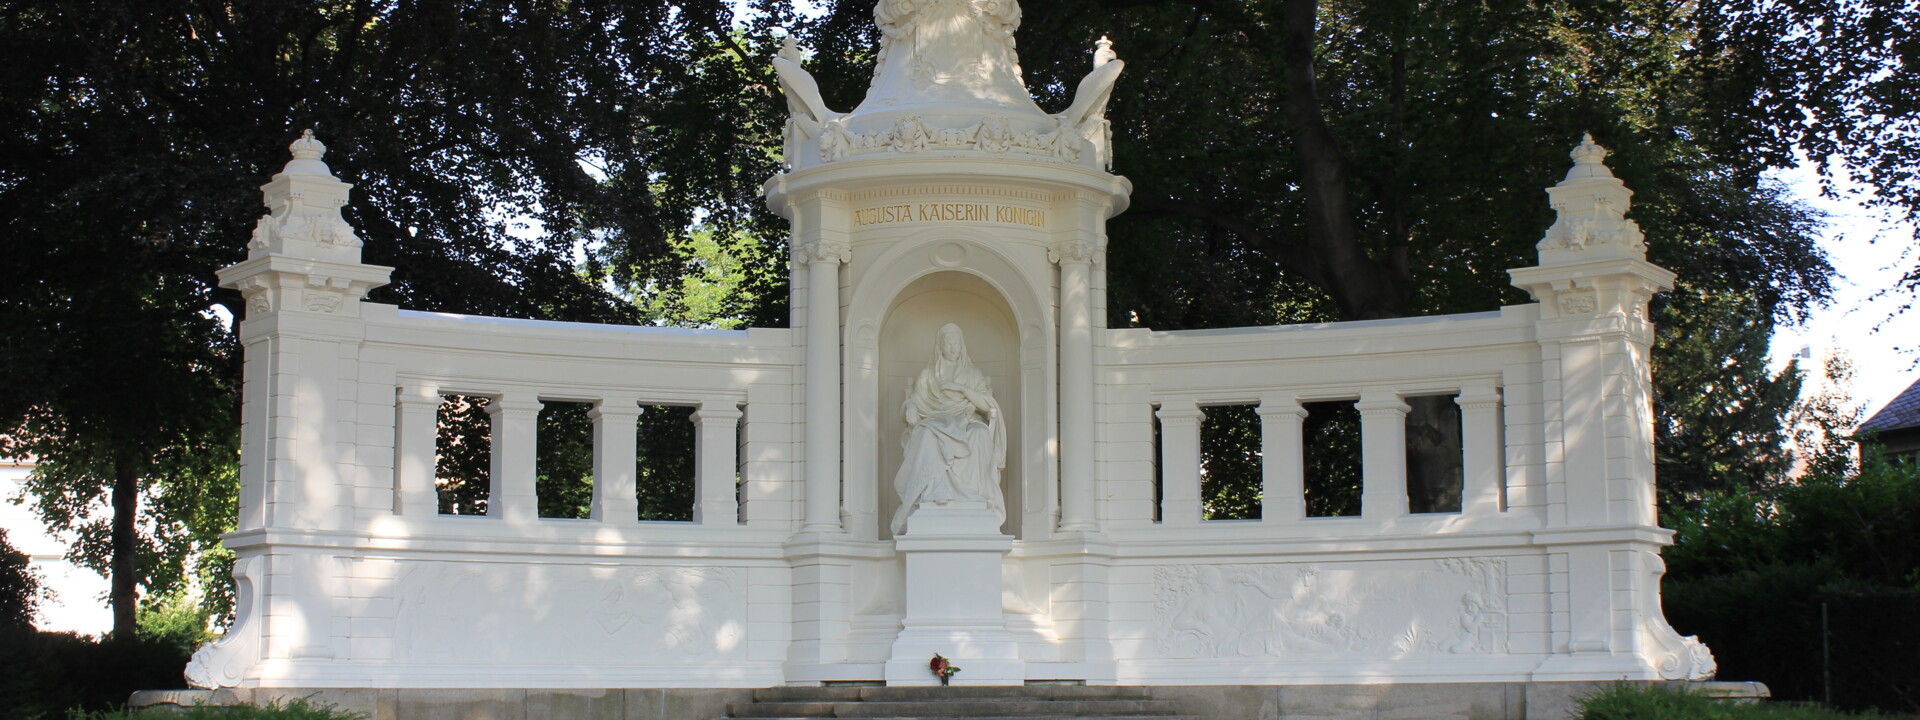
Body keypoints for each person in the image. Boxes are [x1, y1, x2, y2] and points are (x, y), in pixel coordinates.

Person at [891, 324, 1006, 534]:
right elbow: (915, 401)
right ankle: (936, 490)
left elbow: (986, 404)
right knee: (926, 434)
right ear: (940, 347)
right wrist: (909, 406)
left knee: (980, 434)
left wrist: (962, 389)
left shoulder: (972, 374)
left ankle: (974, 495)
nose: (952, 348)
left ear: (961, 346)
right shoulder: (929, 376)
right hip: (935, 420)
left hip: (966, 421)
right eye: (948, 343)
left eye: (956, 343)